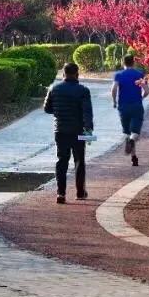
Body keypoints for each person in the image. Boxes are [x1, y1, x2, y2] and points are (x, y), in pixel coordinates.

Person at [43, 62, 94, 203]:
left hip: (60, 130)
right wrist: (88, 130)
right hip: (78, 130)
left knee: (62, 161)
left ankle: (61, 193)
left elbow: (47, 109)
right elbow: (87, 113)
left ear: (63, 74)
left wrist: (60, 111)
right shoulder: (83, 90)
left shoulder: (54, 88)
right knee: (79, 161)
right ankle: (80, 192)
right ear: (77, 74)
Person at [111, 53, 149, 167]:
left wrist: (114, 101)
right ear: (134, 62)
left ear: (123, 63)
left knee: (128, 132)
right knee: (135, 133)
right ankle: (132, 144)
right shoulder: (139, 74)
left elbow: (113, 89)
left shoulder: (118, 75)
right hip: (136, 106)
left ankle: (134, 158)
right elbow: (147, 91)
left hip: (123, 107)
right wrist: (141, 97)